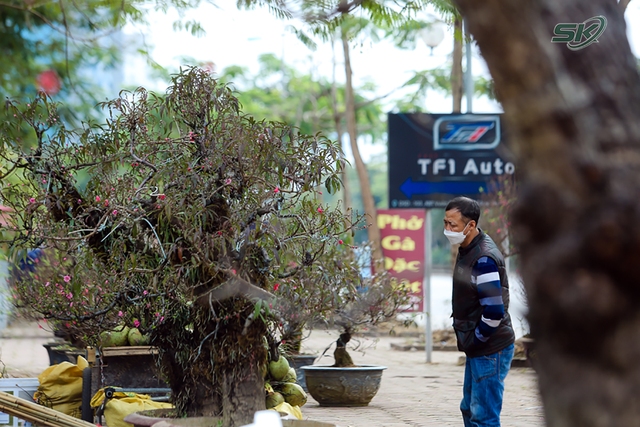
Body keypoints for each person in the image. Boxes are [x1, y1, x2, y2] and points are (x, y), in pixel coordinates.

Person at [444, 196, 515, 427]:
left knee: (483, 416)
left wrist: (477, 340)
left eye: (452, 225)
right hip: (478, 346)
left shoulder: (483, 258)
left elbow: (494, 310)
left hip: (490, 347)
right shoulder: (468, 249)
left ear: (470, 225)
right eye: (445, 223)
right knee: (469, 409)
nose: (448, 229)